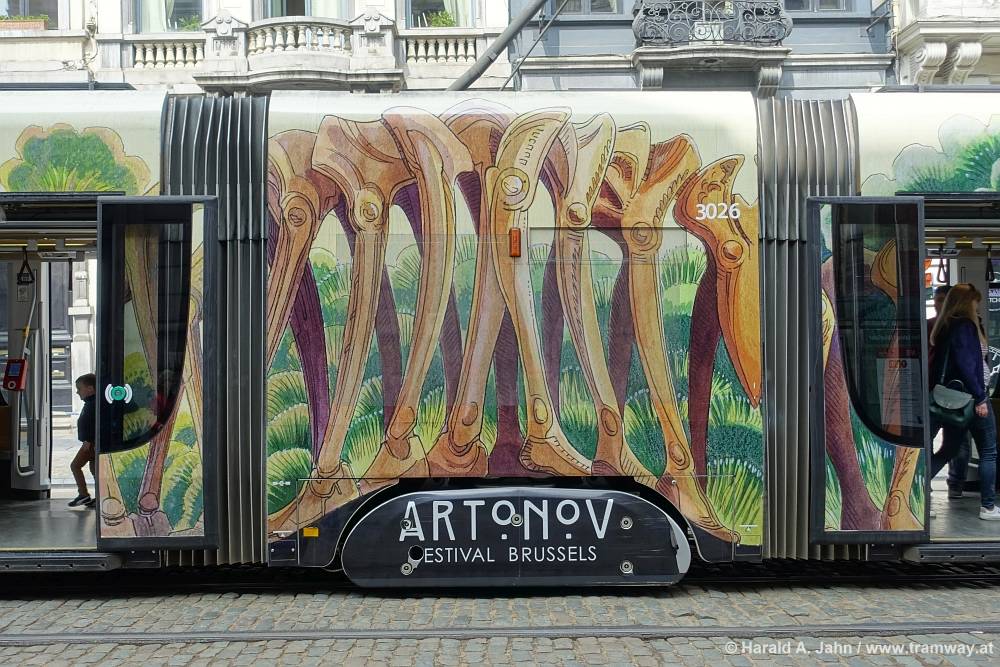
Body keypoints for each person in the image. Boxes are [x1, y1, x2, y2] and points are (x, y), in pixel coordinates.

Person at [929, 284, 1000, 520]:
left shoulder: (946, 325)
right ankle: (988, 506)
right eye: (975, 302)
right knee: (988, 451)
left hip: (955, 400)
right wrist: (980, 397)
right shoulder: (964, 326)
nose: (977, 306)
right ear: (967, 302)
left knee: (948, 449)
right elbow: (967, 365)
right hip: (972, 399)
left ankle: (917, 493)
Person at [927, 284, 971, 499]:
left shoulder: (945, 326)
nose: (939, 304)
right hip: (945, 391)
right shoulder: (940, 325)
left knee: (956, 444)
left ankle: (955, 482)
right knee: (949, 442)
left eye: (943, 300)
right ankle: (932, 482)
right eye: (937, 299)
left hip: (946, 391)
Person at [68, 373, 97, 508]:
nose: (77, 392)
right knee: (94, 470)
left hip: (90, 443)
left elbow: (94, 424)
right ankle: (100, 495)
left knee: (75, 465)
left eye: (79, 388)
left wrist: (88, 440)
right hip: (91, 442)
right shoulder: (91, 403)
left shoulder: (93, 404)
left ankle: (83, 494)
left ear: (90, 389)